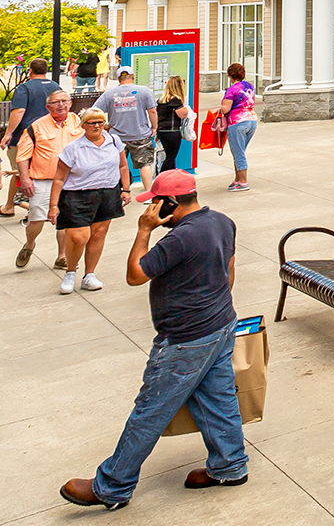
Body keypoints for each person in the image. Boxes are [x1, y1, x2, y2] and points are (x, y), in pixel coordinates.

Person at [58, 171, 247, 509]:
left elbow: (135, 275)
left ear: (170, 203)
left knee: (150, 411)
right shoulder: (222, 221)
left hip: (186, 338)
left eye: (156, 203)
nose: (151, 210)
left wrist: (144, 230)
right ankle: (230, 466)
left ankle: (112, 485)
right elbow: (229, 270)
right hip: (220, 326)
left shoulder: (177, 240)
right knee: (218, 400)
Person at [50, 109, 128, 296]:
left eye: (100, 122)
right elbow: (59, 178)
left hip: (107, 193)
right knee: (78, 237)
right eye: (91, 122)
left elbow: (123, 165)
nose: (96, 126)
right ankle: (70, 272)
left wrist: (125, 189)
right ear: (83, 125)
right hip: (77, 195)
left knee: (99, 233)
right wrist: (53, 206)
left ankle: (89, 275)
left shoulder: (114, 141)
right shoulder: (74, 148)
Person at [13, 88, 77, 271]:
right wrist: (25, 180)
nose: (61, 105)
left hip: (70, 180)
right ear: (48, 107)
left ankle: (62, 256)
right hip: (43, 181)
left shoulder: (78, 122)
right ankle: (29, 244)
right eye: (56, 102)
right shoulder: (36, 127)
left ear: (70, 103)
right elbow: (22, 156)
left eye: (64, 101)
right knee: (37, 219)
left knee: (66, 220)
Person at [4, 57, 57, 216]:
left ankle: (26, 207)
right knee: (39, 173)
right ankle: (9, 206)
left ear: (30, 70)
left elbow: (18, 111)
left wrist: (8, 134)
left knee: (20, 172)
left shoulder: (24, 88)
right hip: (49, 138)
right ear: (46, 70)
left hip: (25, 137)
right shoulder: (56, 87)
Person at [93, 67, 157, 194]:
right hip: (140, 135)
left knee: (117, 165)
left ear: (118, 78)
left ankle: (116, 194)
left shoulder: (109, 94)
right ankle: (149, 194)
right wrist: (154, 127)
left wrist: (104, 125)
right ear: (133, 76)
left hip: (116, 137)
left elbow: (94, 111)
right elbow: (152, 110)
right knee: (144, 164)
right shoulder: (144, 91)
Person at [216, 63, 257, 192]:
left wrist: (219, 109)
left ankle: (243, 182)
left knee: (238, 153)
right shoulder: (250, 86)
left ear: (230, 75)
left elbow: (226, 108)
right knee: (239, 151)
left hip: (237, 122)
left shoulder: (232, 90)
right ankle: (237, 179)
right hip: (252, 121)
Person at [155, 76, 192, 176]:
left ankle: (170, 180)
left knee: (170, 157)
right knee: (170, 157)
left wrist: (156, 133)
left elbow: (158, 117)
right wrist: (186, 109)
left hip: (162, 132)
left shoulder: (161, 100)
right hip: (172, 132)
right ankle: (161, 179)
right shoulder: (176, 100)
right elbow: (182, 114)